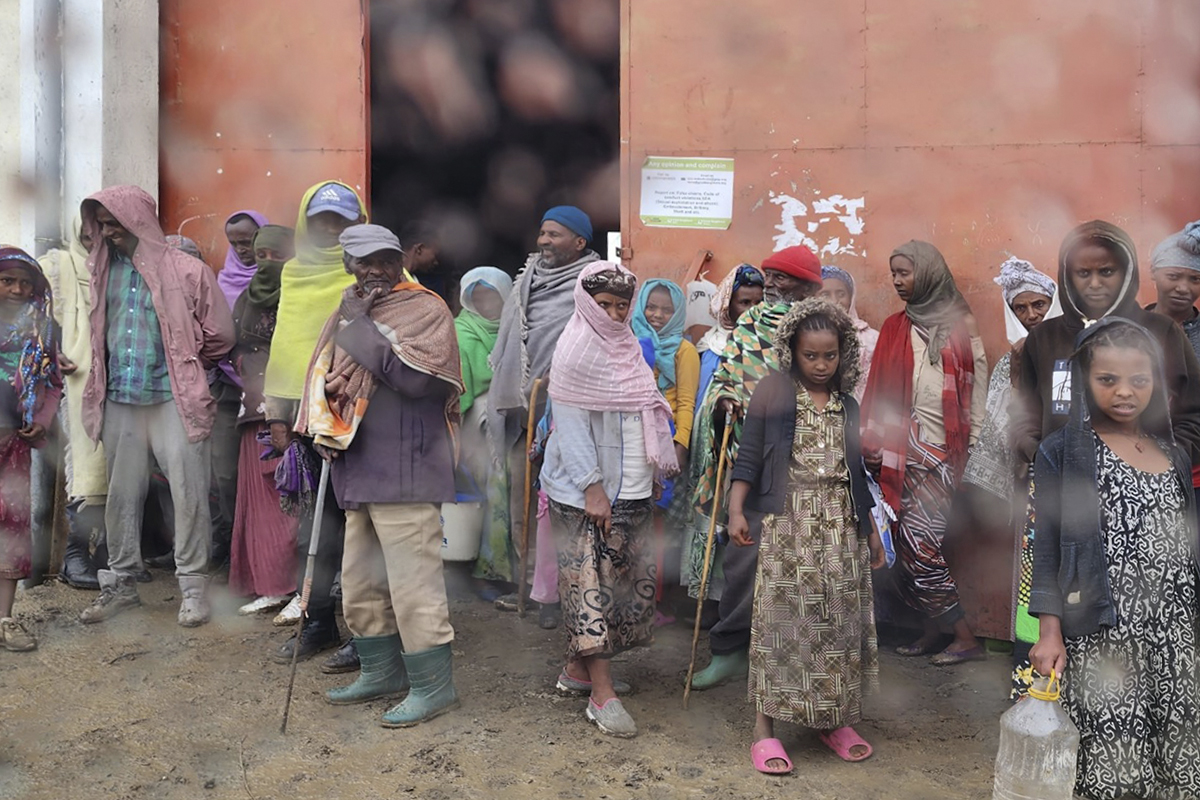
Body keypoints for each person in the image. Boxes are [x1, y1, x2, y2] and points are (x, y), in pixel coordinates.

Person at [298, 223, 463, 728]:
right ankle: (381, 671)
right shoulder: (348, 309)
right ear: (348, 265)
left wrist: (360, 328)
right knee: (361, 583)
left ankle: (434, 687)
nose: (376, 271)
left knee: (414, 586)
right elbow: (328, 376)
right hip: (359, 464)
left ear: (400, 262)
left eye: (386, 260)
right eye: (364, 262)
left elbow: (414, 379)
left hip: (407, 466)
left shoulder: (426, 309)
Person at [1029, 318, 1200, 800]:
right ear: (1084, 379)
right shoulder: (1062, 453)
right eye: (1108, 379)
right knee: (1114, 760)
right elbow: (1046, 546)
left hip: (1175, 634)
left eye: (1139, 379)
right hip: (1107, 636)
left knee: (1178, 750)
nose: (1125, 391)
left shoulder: (1173, 454)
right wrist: (1049, 631)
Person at [726, 299, 882, 773]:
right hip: (789, 523)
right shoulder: (774, 392)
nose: (820, 365)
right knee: (781, 624)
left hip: (840, 527)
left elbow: (855, 471)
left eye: (829, 355)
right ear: (792, 351)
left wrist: (871, 529)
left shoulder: (847, 404)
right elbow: (749, 454)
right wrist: (736, 509)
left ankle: (833, 720)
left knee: (836, 624)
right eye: (810, 355)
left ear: (843, 352)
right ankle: (764, 730)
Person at [77, 185, 235, 627]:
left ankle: (193, 589)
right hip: (121, 398)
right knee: (122, 495)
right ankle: (122, 585)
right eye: (102, 224)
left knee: (188, 492)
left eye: (114, 223)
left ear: (139, 220)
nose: (108, 232)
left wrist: (186, 361)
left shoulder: (187, 270)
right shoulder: (103, 270)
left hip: (173, 398)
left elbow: (221, 335)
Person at [539, 262, 679, 738]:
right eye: (605, 305)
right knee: (589, 589)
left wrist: (650, 471)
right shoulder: (575, 349)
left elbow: (642, 414)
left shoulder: (626, 346)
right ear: (586, 302)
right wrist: (591, 487)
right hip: (585, 492)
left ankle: (577, 671)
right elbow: (572, 426)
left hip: (631, 484)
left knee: (617, 584)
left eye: (622, 305)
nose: (615, 314)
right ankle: (602, 695)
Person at [685, 245, 822, 691]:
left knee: (803, 565)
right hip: (754, 455)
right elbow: (729, 376)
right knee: (743, 558)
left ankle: (791, 657)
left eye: (784, 278)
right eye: (770, 277)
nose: (774, 286)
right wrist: (726, 401)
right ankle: (729, 651)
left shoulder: (823, 327)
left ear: (808, 285)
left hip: (810, 462)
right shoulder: (751, 324)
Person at [860, 240, 986, 665]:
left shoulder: (960, 326)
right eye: (893, 273)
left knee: (922, 547)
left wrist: (972, 450)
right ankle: (932, 631)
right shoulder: (895, 327)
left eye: (905, 272)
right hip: (897, 455)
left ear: (929, 273)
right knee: (900, 547)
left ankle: (965, 637)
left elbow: (977, 391)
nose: (897, 280)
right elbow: (878, 389)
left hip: (942, 457)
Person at [263, 180, 365, 667]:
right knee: (317, 529)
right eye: (321, 219)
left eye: (341, 220)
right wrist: (277, 415)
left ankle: (370, 633)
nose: (330, 228)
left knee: (367, 529)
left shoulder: (380, 269)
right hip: (309, 420)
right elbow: (286, 345)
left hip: (365, 420)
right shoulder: (294, 273)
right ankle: (320, 620)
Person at [479, 206, 599, 601]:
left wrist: (561, 376)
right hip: (524, 410)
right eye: (543, 233)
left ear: (579, 242)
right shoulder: (526, 278)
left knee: (566, 504)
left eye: (555, 234)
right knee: (523, 503)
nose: (544, 241)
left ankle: (570, 588)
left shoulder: (593, 284)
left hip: (573, 416)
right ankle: (532, 588)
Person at [228, 225, 299, 615]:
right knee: (258, 500)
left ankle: (296, 586)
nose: (269, 263)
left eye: (278, 256)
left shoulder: (301, 294)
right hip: (253, 409)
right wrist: (248, 367)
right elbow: (233, 345)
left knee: (289, 497)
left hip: (292, 411)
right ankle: (268, 583)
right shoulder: (246, 298)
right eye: (262, 256)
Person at [39, 219, 108, 589]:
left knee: (123, 467)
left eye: (99, 234)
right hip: (77, 381)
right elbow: (31, 315)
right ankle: (74, 555)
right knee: (87, 462)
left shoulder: (120, 268)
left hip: (122, 380)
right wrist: (52, 350)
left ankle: (108, 554)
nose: (93, 241)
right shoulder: (57, 267)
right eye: (86, 235)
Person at [0, 248, 61, 651]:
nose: (17, 290)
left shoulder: (41, 329)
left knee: (11, 528)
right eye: (7, 280)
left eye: (25, 282)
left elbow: (52, 380)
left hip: (13, 445)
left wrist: (43, 418)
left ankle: (4, 619)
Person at [630, 278, 699, 622]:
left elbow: (686, 402)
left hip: (664, 442)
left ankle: (652, 601)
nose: (657, 315)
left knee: (657, 524)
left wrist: (680, 444)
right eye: (651, 307)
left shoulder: (684, 351)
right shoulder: (628, 341)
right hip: (630, 438)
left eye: (666, 310)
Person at [209, 210, 269, 570]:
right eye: (234, 243)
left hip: (269, 391)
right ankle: (235, 551)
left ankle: (266, 553)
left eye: (248, 242)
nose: (242, 249)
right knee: (225, 472)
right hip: (229, 390)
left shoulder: (279, 278)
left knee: (267, 474)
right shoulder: (223, 281)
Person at [694, 264, 765, 408]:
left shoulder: (771, 345)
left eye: (759, 303)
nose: (753, 311)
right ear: (727, 306)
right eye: (745, 303)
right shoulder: (710, 347)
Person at [818, 265, 880, 402]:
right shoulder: (804, 337)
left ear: (851, 297)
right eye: (825, 295)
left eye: (841, 294)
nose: (835, 301)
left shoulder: (871, 339)